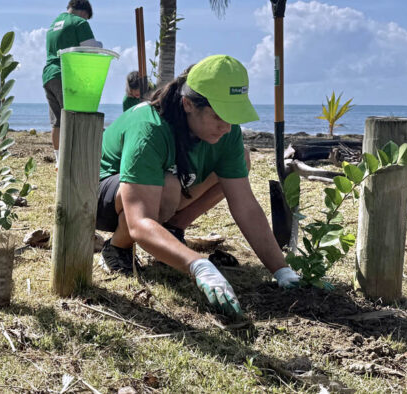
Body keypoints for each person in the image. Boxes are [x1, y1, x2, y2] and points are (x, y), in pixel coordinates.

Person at [95, 55, 300, 317]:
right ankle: (116, 249)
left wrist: (281, 270)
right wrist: (197, 265)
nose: (226, 127)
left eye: (232, 116)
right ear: (188, 104)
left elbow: (246, 206)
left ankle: (171, 231)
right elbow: (139, 221)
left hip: (153, 195)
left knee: (241, 161)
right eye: (218, 116)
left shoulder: (227, 132)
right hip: (100, 196)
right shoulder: (149, 128)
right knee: (168, 185)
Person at [42, 0, 102, 168]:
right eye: (87, 18)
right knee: (73, 118)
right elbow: (92, 48)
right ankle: (72, 160)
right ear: (84, 13)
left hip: (49, 74)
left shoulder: (53, 25)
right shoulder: (79, 22)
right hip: (66, 75)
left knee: (57, 121)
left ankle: (59, 161)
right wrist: (100, 45)